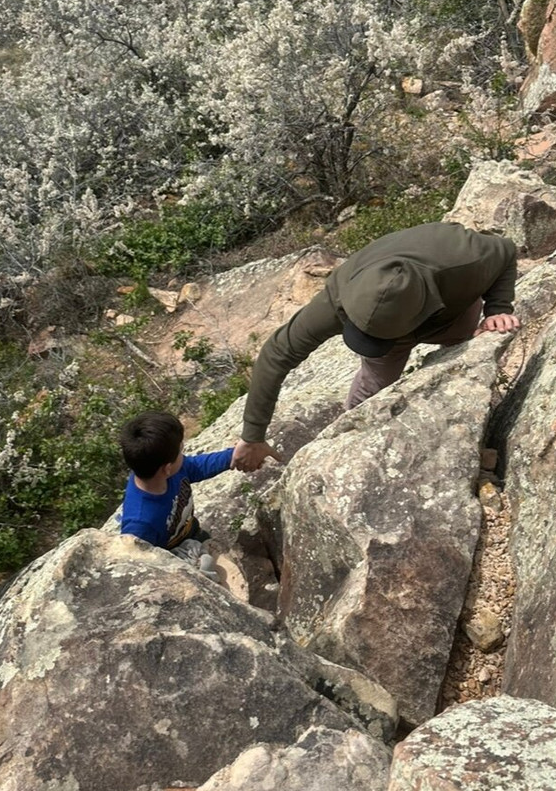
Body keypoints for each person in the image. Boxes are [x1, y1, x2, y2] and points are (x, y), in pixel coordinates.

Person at [232, 221, 520, 472]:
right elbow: (275, 354)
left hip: (450, 302)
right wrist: (252, 436)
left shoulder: (466, 260)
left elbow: (507, 251)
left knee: (466, 350)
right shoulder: (340, 295)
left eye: (379, 338)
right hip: (403, 310)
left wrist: (497, 310)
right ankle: (347, 435)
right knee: (374, 383)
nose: (368, 345)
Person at [111, 410, 245, 580]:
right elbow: (142, 567)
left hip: (190, 531)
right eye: (181, 450)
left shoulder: (167, 470)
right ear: (166, 468)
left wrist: (232, 456)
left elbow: (197, 467)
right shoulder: (140, 524)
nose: (183, 454)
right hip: (170, 556)